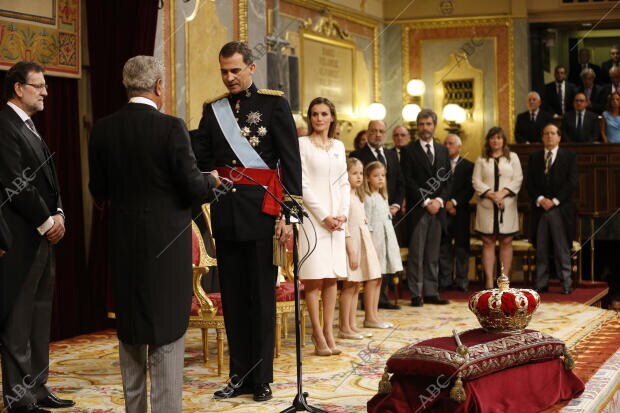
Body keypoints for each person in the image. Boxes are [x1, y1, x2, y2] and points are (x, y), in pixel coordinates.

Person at [89, 56, 219, 412]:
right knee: (166, 334)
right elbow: (193, 187)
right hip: (167, 247)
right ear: (159, 86)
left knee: (130, 332)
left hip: (123, 247)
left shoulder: (103, 128)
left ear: (126, 85)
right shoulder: (171, 127)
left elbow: (98, 189)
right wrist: (211, 181)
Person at [192, 42, 302, 401]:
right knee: (235, 299)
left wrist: (289, 213)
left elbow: (290, 161)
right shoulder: (213, 110)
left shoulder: (274, 104)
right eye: (224, 71)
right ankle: (238, 375)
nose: (229, 77)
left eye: (235, 70)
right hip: (226, 215)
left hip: (263, 214)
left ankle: (262, 379)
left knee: (261, 299)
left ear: (251, 68)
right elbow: (203, 159)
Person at [0, 61, 72, 413]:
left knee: (40, 314)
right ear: (18, 88)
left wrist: (59, 213)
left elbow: (48, 181)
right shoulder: (3, 125)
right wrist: (46, 220)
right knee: (18, 318)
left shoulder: (29, 127)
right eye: (39, 85)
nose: (45, 92)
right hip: (20, 239)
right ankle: (18, 398)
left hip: (43, 235)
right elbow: (16, 184)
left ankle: (38, 388)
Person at [298, 97, 349, 356]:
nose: (319, 118)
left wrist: (342, 214)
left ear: (332, 117)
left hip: (336, 222)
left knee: (332, 278)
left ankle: (330, 331)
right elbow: (302, 185)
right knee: (313, 279)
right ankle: (317, 334)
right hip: (312, 220)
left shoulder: (339, 146)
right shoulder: (302, 145)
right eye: (314, 114)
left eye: (324, 114)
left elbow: (344, 183)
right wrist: (324, 216)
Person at [350, 120, 404, 309]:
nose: (378, 134)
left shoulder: (390, 154)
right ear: (368, 133)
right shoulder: (358, 155)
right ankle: (371, 303)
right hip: (368, 214)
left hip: (388, 211)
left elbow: (399, 181)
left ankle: (383, 297)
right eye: (374, 131)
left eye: (382, 131)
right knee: (374, 264)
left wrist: (395, 204)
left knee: (385, 259)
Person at [400, 109, 451, 307]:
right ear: (417, 126)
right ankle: (415, 294)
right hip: (418, 209)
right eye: (421, 124)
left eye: (428, 124)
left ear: (434, 126)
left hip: (438, 210)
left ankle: (431, 292)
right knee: (417, 254)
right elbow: (408, 180)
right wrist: (426, 201)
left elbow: (448, 180)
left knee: (432, 254)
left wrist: (439, 201)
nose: (425, 128)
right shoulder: (408, 150)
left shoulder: (442, 150)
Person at [527, 124, 578, 295]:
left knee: (561, 248)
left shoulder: (569, 157)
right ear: (542, 137)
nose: (549, 136)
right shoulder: (534, 158)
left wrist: (554, 201)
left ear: (559, 137)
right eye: (546, 133)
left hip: (560, 209)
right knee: (541, 249)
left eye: (552, 133)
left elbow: (572, 183)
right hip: (540, 210)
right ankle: (541, 283)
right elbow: (530, 184)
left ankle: (566, 283)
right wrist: (541, 200)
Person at [472, 127, 523, 289]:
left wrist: (502, 194)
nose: (496, 141)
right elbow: (476, 181)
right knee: (488, 241)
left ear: (504, 141)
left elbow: (518, 179)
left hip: (506, 205)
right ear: (488, 140)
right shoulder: (481, 159)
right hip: (487, 205)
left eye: (499, 138)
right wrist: (492, 195)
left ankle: (504, 282)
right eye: (493, 138)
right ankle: (488, 282)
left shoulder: (512, 158)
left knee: (506, 241)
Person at [338, 157, 382, 340]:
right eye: (354, 173)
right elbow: (345, 226)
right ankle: (344, 327)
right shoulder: (345, 197)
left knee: (356, 286)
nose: (358, 177)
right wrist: (351, 251)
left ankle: (353, 325)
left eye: (360, 173)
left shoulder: (357, 195)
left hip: (361, 242)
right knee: (349, 286)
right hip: (351, 246)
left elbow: (364, 223)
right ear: (345, 174)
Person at [363, 161, 403, 327]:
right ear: (368, 178)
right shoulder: (367, 198)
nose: (380, 179)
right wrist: (372, 246)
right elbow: (368, 224)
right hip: (374, 242)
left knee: (380, 279)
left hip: (385, 241)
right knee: (372, 279)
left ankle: (375, 314)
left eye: (382, 176)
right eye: (376, 176)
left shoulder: (381, 196)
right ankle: (369, 316)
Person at [438, 134, 474, 292]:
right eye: (445, 143)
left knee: (461, 248)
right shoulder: (438, 164)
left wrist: (454, 203)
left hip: (461, 213)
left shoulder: (468, 165)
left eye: (450, 143)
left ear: (459, 147)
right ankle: (445, 281)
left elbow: (469, 189)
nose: (447, 146)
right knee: (444, 247)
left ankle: (462, 282)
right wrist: (445, 203)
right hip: (441, 211)